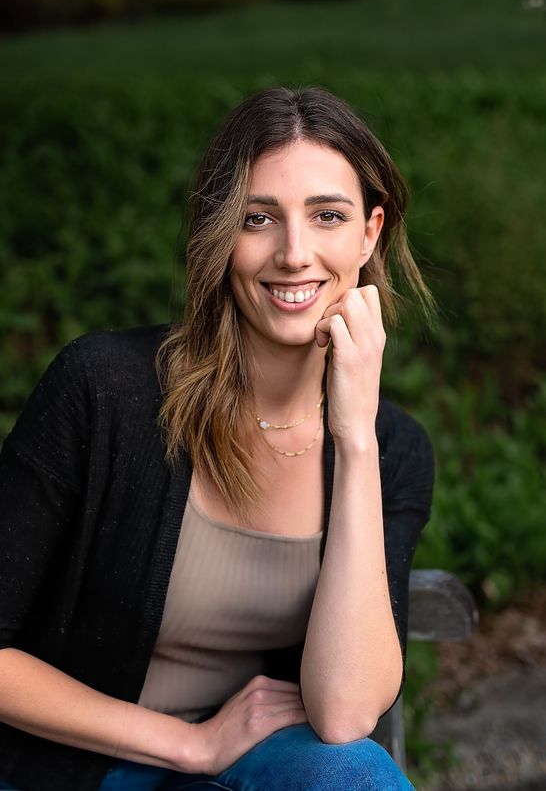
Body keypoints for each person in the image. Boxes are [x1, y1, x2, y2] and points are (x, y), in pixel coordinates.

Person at [0, 86, 436, 790]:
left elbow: (346, 710)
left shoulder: (395, 448)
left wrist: (355, 441)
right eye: (259, 218)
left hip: (244, 764)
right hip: (65, 762)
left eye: (327, 216)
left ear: (370, 232)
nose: (295, 254)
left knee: (355, 773)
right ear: (219, 233)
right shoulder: (105, 391)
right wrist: (187, 744)